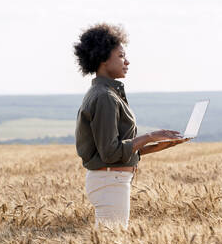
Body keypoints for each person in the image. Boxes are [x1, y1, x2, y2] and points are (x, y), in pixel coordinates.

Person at [73, 23, 188, 229]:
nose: (127, 61)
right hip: (109, 181)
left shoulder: (106, 94)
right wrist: (150, 136)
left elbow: (119, 149)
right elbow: (110, 152)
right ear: (102, 59)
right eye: (121, 56)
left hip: (111, 180)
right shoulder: (105, 97)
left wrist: (164, 144)